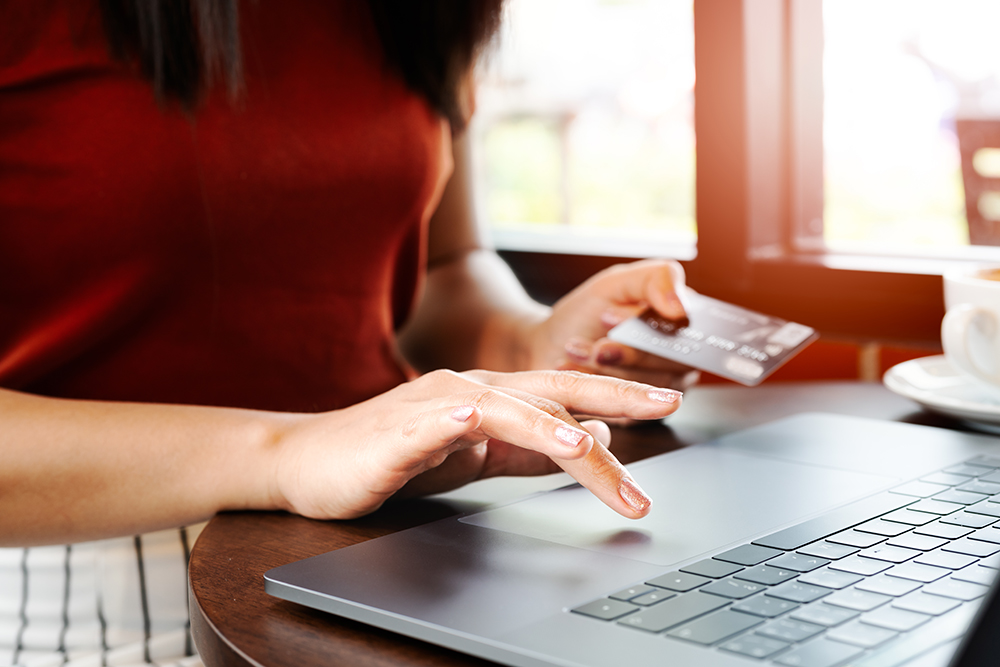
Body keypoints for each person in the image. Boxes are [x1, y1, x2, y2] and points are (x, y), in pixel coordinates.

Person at [0, 1, 695, 665]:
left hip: (401, 547)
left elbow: (442, 267)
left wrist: (527, 343)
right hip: (107, 581)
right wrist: (288, 451)